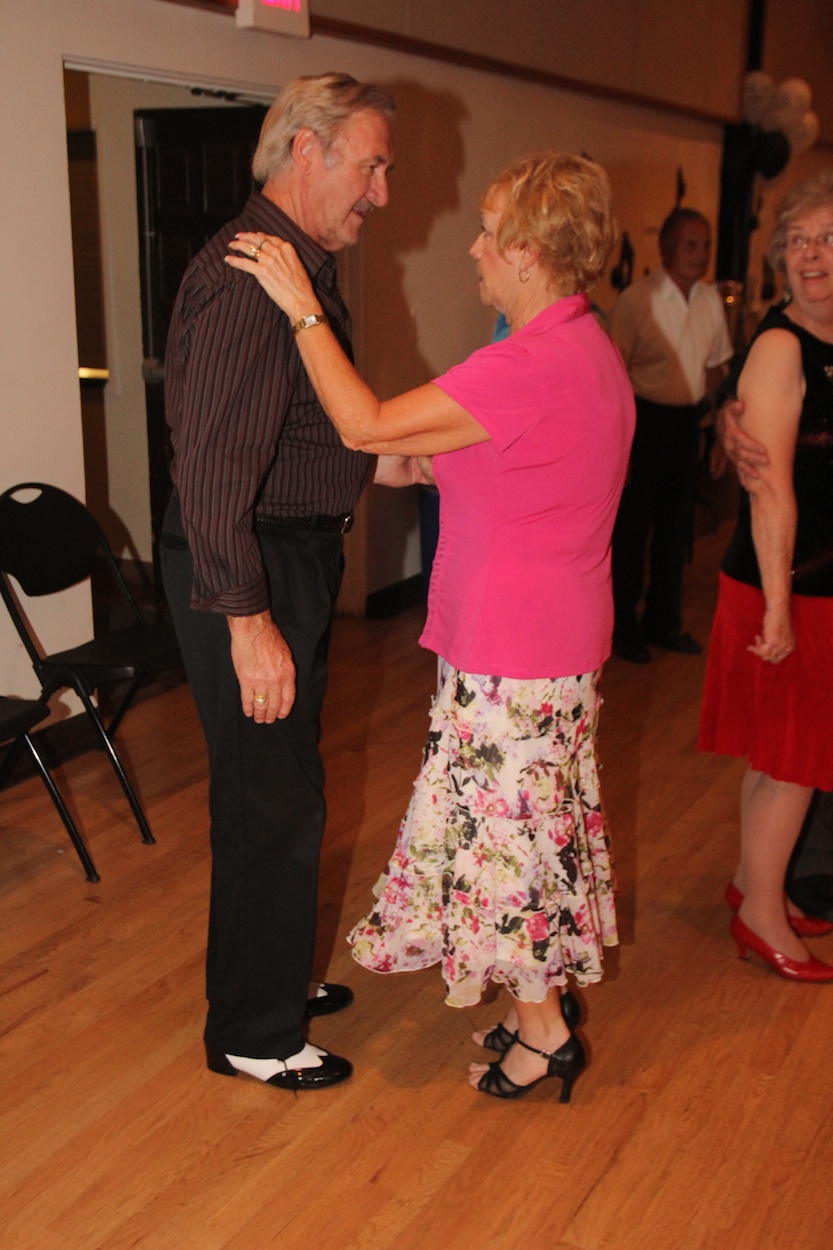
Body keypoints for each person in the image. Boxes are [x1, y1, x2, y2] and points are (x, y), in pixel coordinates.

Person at [227, 150, 635, 1101]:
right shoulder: (583, 350)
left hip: (514, 648)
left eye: (492, 232)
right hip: (548, 641)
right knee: (538, 826)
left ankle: (545, 1035)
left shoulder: (528, 362)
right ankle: (537, 999)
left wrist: (302, 309)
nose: (475, 248)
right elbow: (427, 461)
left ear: (531, 253)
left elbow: (369, 425)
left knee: (508, 839)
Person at [160, 73, 396, 1091]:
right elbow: (210, 466)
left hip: (285, 552)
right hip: (246, 565)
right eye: (370, 164)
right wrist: (248, 621)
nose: (381, 192)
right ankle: (254, 1031)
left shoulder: (295, 266)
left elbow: (297, 422)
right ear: (307, 151)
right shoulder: (245, 276)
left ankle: (268, 980)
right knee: (273, 799)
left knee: (279, 784)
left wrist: (378, 458)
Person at [698, 171, 833, 981]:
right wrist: (778, 611)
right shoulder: (783, 346)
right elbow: (768, 485)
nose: (811, 254)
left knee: (779, 755)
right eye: (798, 240)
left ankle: (757, 879)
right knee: (792, 757)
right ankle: (759, 916)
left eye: (827, 240)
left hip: (814, 582)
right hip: (789, 582)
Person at [608, 207, 733, 663]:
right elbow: (613, 374)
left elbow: (716, 370)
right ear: (665, 248)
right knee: (632, 531)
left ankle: (664, 623)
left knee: (676, 531)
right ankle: (623, 627)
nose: (700, 254)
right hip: (642, 423)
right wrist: (618, 446)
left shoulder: (710, 301)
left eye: (706, 245)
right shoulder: (636, 300)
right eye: (690, 244)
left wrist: (721, 432)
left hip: (684, 426)